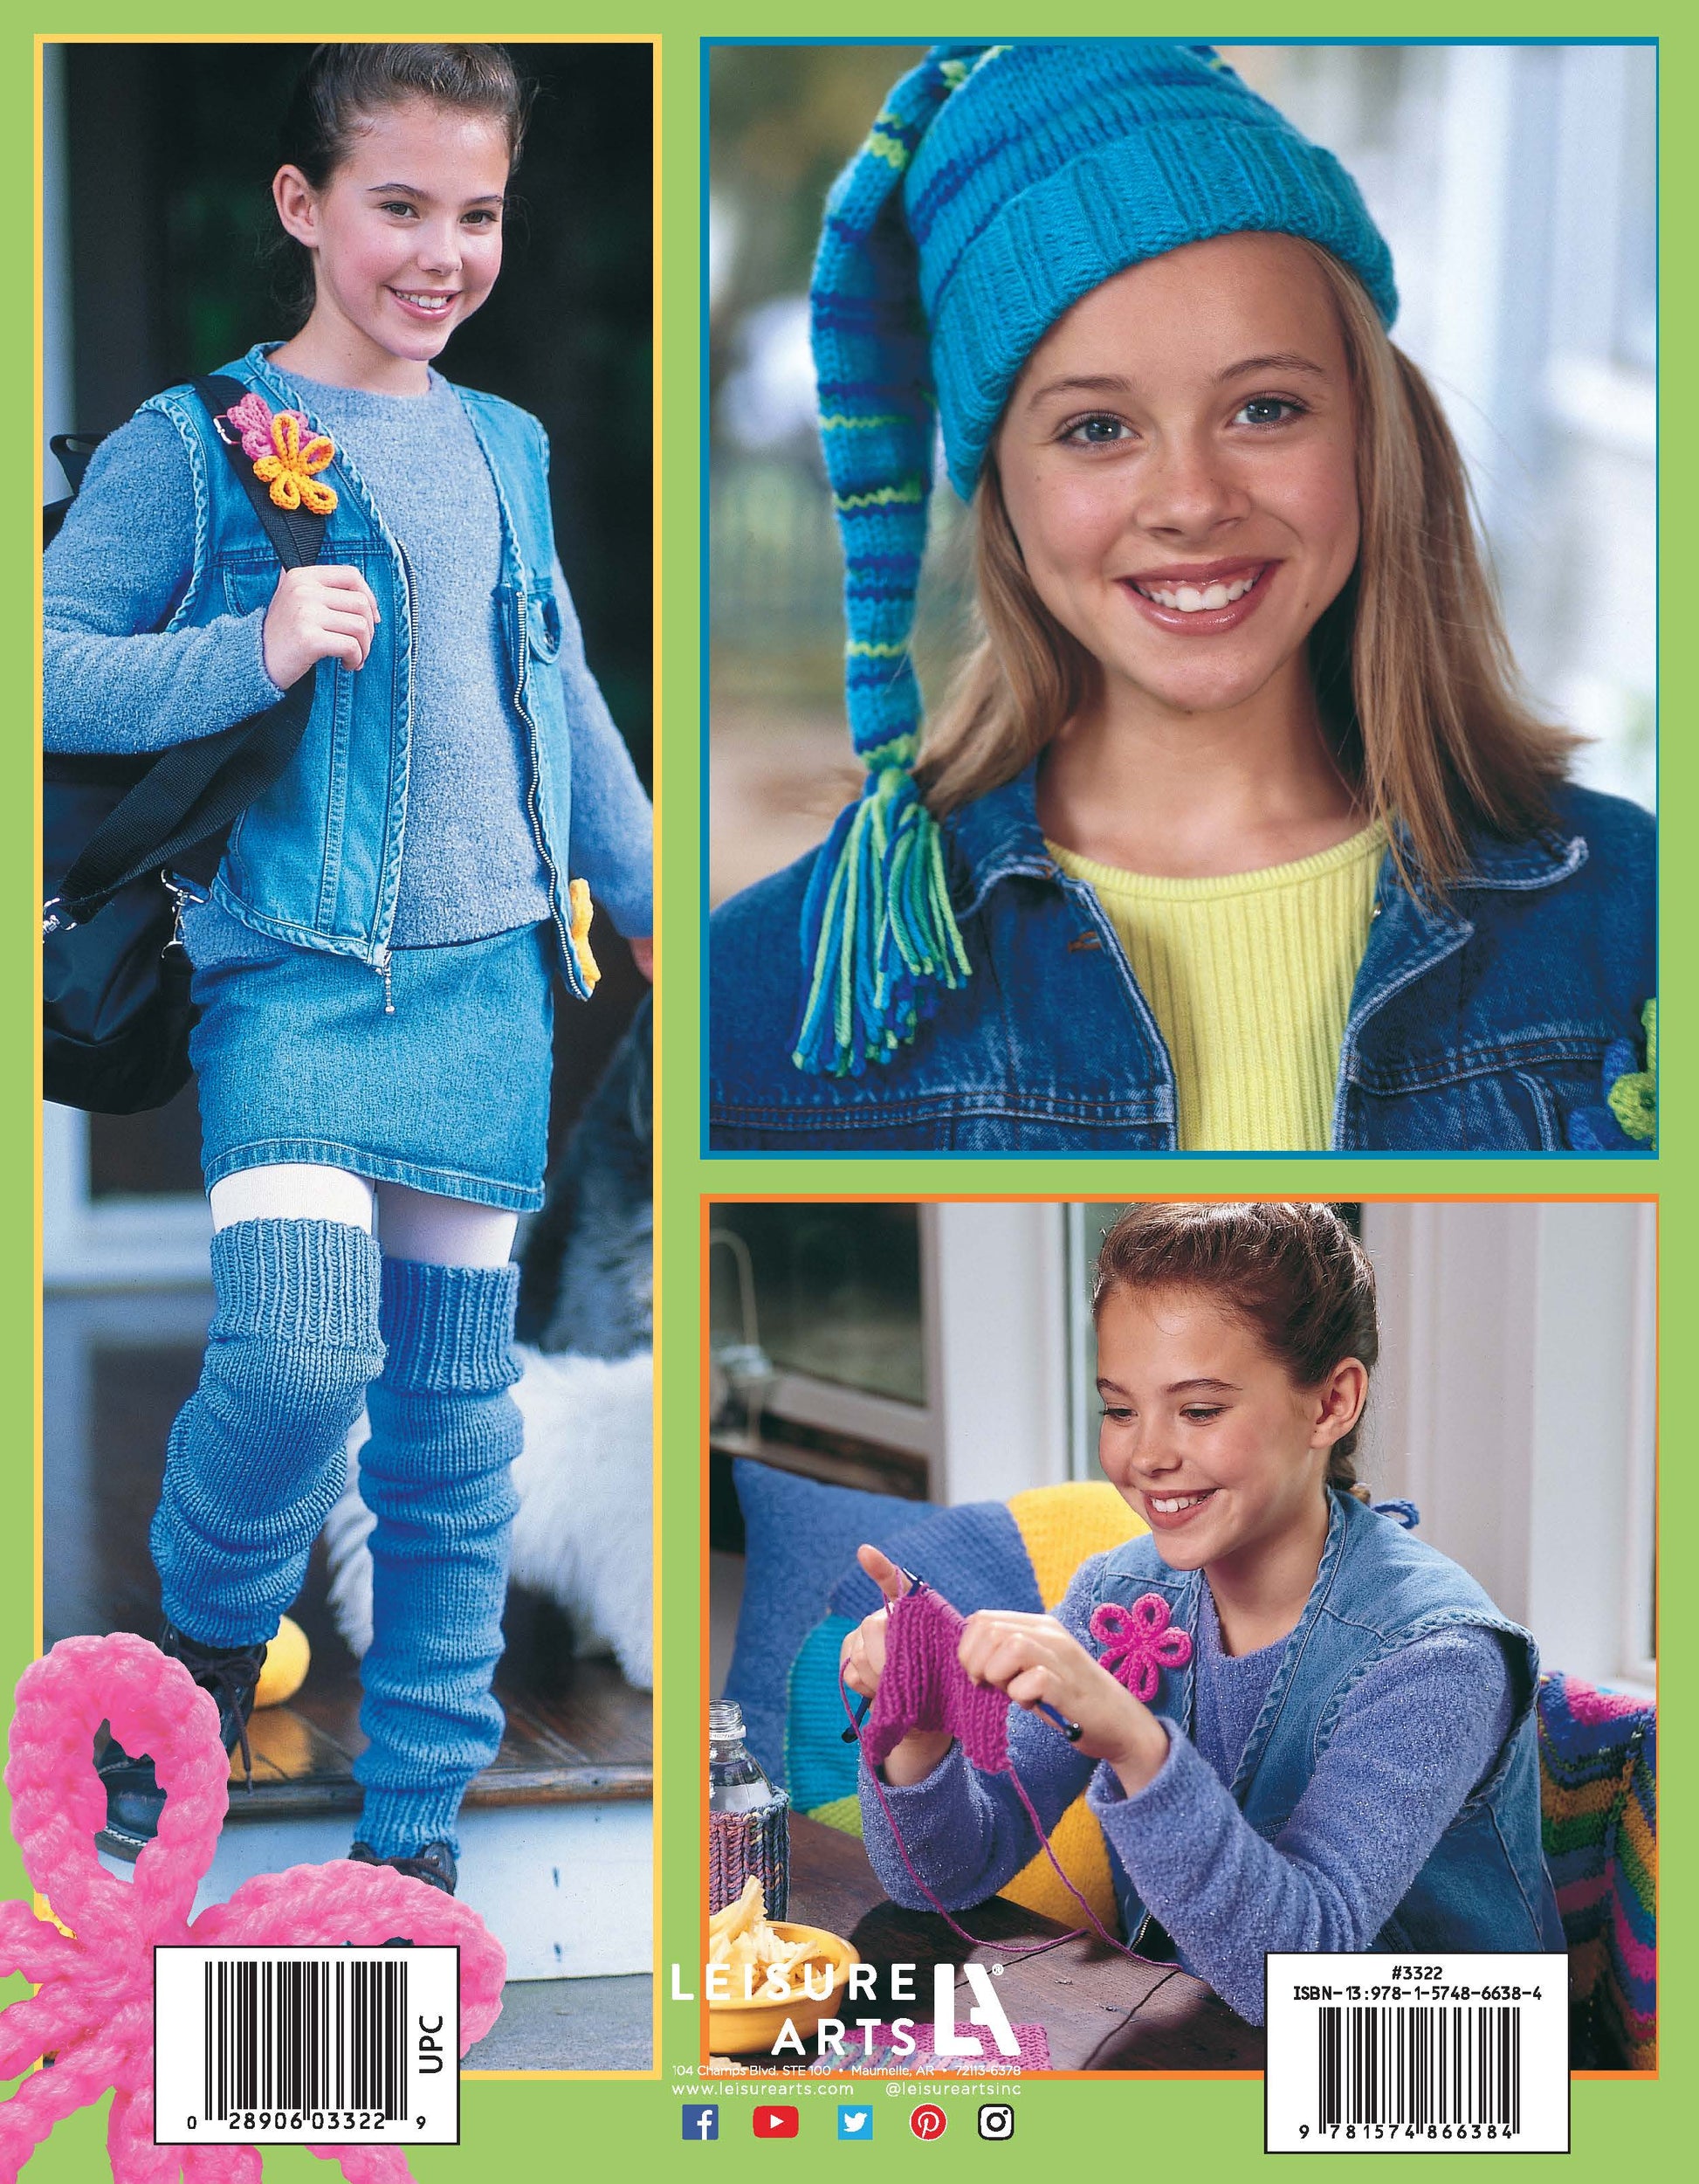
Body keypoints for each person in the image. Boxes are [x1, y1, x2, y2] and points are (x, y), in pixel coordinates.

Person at [45, 44, 653, 1892]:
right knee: (301, 1352)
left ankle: (417, 1833)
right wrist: (252, 643)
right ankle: (201, 1666)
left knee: (452, 1439)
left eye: (478, 212)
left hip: (487, 992)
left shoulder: (504, 443)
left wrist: (651, 904)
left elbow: (560, 687)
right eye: (399, 206)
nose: (442, 253)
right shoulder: (195, 443)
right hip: (292, 981)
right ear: (304, 206)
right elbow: (45, 666)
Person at [709, 41, 1654, 1152]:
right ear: (1000, 489)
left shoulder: (1633, 914)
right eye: (1096, 429)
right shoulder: (761, 993)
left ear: (1369, 428)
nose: (1192, 500)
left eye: (1264, 408)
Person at [840, 1203, 1565, 2024]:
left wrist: (1134, 1742)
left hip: (1439, 2067)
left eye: (1200, 1410)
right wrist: (921, 1728)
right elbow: (941, 1878)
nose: (1147, 1454)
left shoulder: (1439, 1657)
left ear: (1331, 1402)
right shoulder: (1118, 1597)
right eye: (1120, 1409)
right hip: (1199, 2036)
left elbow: (1302, 1979)